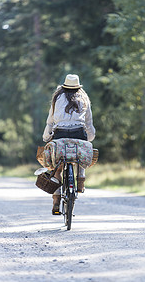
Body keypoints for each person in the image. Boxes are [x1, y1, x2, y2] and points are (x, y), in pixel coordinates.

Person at [42, 74, 96, 214]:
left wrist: (46, 136)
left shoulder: (57, 98)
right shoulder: (84, 98)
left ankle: (56, 202)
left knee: (57, 167)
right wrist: (89, 138)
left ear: (65, 86)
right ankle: (80, 181)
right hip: (79, 133)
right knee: (80, 154)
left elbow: (50, 120)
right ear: (78, 87)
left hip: (60, 134)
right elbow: (88, 123)